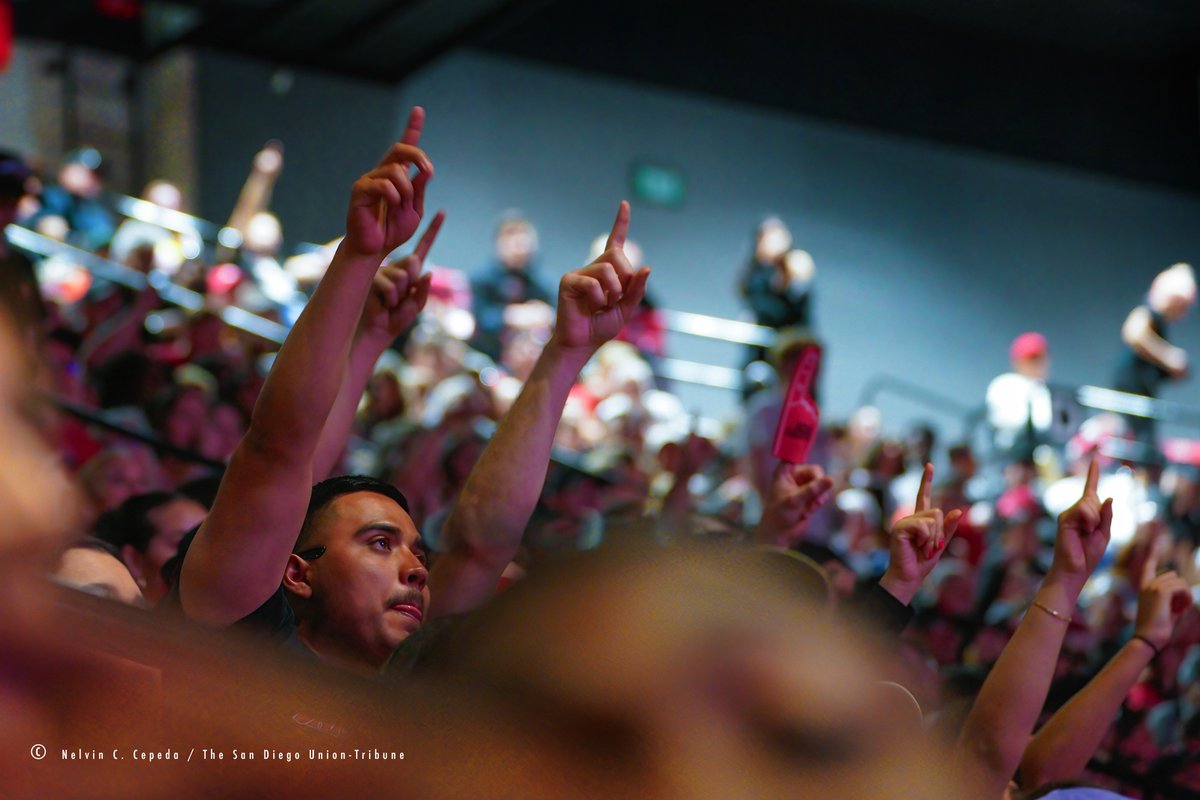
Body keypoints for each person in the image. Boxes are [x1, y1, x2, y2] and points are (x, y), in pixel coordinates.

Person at [173, 107, 652, 676]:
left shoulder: (410, 686)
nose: (418, 571)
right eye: (380, 543)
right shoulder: (240, 628)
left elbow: (481, 545)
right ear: (296, 572)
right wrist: (359, 254)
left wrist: (567, 352)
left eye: (417, 553)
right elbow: (281, 448)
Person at [1114, 262, 1196, 447]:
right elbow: (1133, 333)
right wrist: (1169, 358)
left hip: (1141, 399)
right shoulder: (1147, 313)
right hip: (1130, 401)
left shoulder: (1159, 322)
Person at [470, 213, 553, 361]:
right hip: (488, 356)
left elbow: (554, 315)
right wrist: (511, 315)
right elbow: (480, 318)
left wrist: (546, 315)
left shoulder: (542, 284)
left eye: (523, 237)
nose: (519, 246)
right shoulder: (482, 279)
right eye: (511, 237)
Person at [740, 215, 816, 371]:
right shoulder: (757, 274)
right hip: (762, 350)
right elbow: (762, 307)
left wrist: (793, 280)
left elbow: (799, 306)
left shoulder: (795, 267)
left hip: (792, 351)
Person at [987, 332, 1054, 461]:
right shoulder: (1005, 384)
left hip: (1041, 460)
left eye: (1040, 358)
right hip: (1010, 460)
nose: (1036, 364)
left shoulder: (1047, 391)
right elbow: (1012, 421)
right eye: (1031, 359)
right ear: (1017, 361)